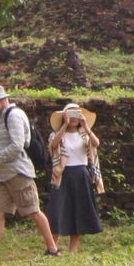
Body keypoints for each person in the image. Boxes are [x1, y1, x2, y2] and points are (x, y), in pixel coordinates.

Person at [0, 85, 59, 262]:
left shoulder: (14, 115)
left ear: (1, 100)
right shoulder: (4, 117)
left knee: (33, 210)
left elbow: (17, 146)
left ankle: (53, 249)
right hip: (4, 174)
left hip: (18, 172)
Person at [47, 103, 105, 254]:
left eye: (76, 115)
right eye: (70, 115)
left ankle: (73, 251)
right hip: (62, 175)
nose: (73, 119)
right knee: (56, 212)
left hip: (81, 175)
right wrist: (65, 125)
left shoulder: (84, 134)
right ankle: (52, 248)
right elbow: (54, 145)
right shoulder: (57, 133)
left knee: (77, 212)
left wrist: (86, 126)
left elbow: (96, 143)